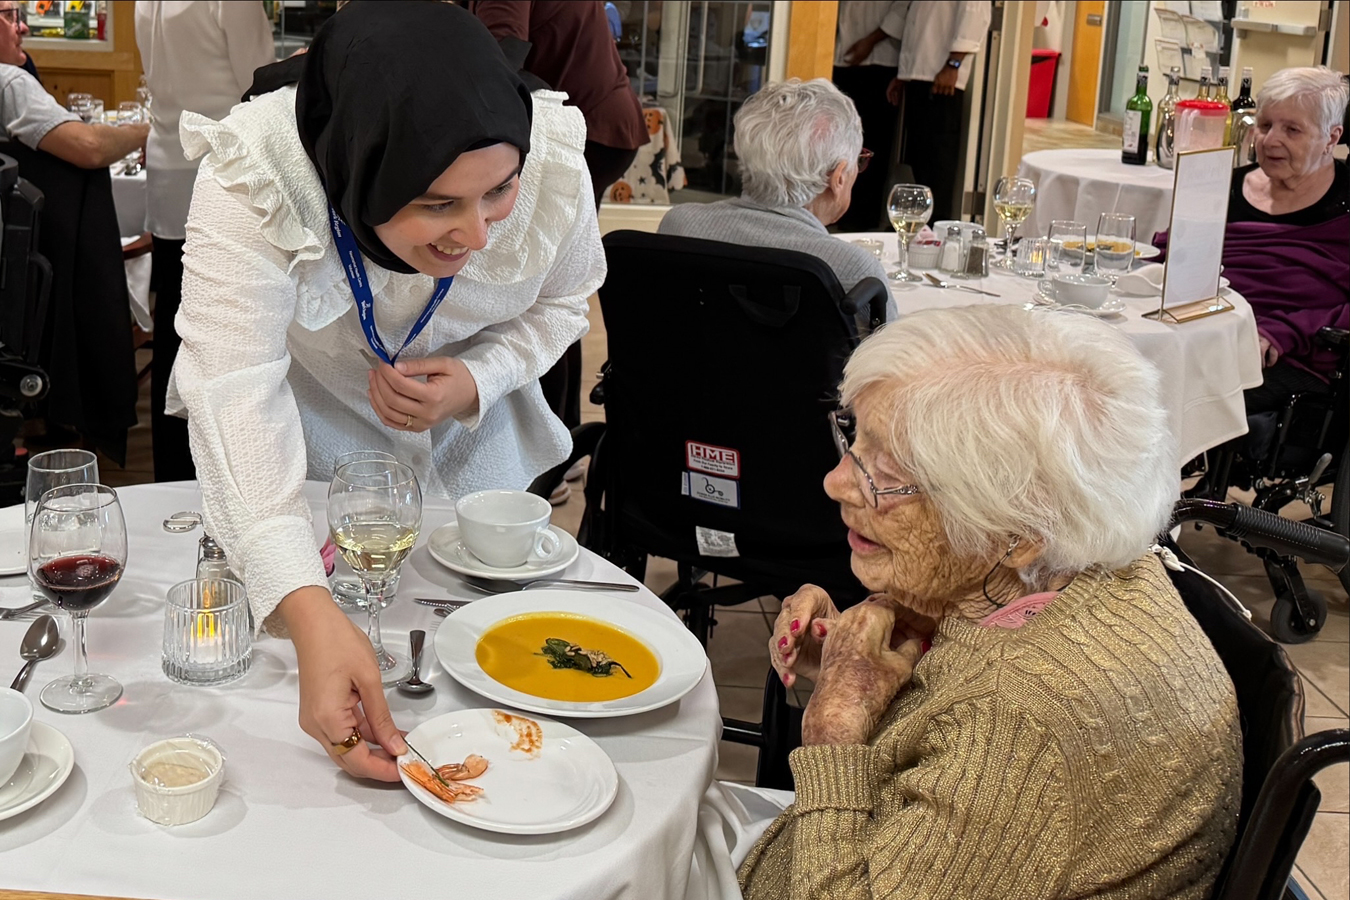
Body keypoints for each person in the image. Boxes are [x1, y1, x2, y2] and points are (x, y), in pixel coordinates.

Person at [168, 1, 602, 781]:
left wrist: (482, 376)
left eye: (496, 194)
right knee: (286, 702)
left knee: (489, 696)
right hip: (306, 465)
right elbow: (232, 387)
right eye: (438, 204)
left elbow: (565, 303)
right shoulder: (256, 171)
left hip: (477, 457)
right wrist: (303, 605)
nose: (476, 236)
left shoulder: (549, 156)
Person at [722, 305, 1243, 898]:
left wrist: (835, 733)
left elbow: (995, 730)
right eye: (853, 439)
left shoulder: (1016, 725)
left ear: (1018, 532)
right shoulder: (1092, 566)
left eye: (888, 471)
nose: (836, 482)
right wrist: (879, 659)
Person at [470, 0, 648, 503]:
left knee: (543, 283)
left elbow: (499, 47)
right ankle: (563, 445)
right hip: (591, 116)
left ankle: (553, 454)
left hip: (586, 127)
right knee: (549, 280)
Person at [135, 1, 277, 484]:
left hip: (167, 160)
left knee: (173, 320)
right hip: (219, 169)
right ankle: (216, 472)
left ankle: (171, 470)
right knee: (225, 328)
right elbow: (261, 83)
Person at [658, 79, 896, 334]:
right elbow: (896, 366)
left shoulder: (679, 226)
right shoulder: (854, 270)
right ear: (838, 177)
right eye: (857, 162)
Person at [1222, 66, 1348, 409]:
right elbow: (1174, 257)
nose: (1270, 140)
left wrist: (1284, 331)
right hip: (1204, 338)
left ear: (1332, 138)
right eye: (1265, 126)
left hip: (1290, 357)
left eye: (1292, 130)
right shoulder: (1222, 185)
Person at [0, 0, 148, 169]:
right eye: (9, 16)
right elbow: (91, 147)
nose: (24, 28)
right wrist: (145, 132)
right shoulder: (9, 83)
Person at [886, 0, 991, 221]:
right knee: (918, 157)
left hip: (942, 78)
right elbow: (919, 22)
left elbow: (974, 17)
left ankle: (936, 225)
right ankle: (918, 223)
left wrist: (953, 65)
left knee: (938, 161)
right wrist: (904, 75)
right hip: (919, 75)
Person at [831, 0, 908, 231]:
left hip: (879, 59)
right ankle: (835, 212)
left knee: (871, 144)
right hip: (839, 56)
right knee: (837, 142)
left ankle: (862, 221)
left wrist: (870, 41)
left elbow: (901, 8)